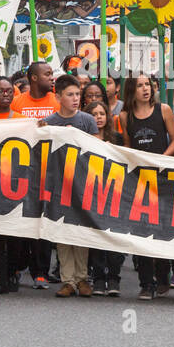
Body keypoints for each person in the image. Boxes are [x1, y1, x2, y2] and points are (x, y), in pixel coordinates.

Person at [119, 74, 174, 300]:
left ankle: (163, 276)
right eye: (140, 86)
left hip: (163, 178)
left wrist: (162, 160)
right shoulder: (125, 116)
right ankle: (146, 283)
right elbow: (128, 146)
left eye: (148, 85)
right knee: (141, 230)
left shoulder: (163, 109)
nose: (145, 89)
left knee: (162, 228)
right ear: (131, 91)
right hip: (139, 180)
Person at [41, 74, 97, 298]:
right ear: (58, 97)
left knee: (81, 230)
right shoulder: (49, 122)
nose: (75, 99)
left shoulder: (87, 120)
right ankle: (68, 280)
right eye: (70, 95)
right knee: (62, 232)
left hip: (82, 183)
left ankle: (82, 278)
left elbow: (97, 150)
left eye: (77, 94)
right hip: (58, 184)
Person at [84, 99, 126, 297]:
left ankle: (114, 278)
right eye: (94, 114)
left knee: (115, 238)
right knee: (97, 238)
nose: (98, 118)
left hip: (114, 193)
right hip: (92, 193)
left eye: (101, 114)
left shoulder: (117, 138)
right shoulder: (81, 139)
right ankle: (99, 278)